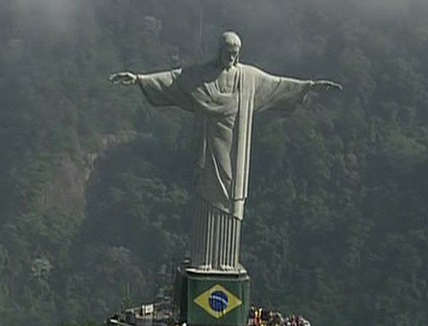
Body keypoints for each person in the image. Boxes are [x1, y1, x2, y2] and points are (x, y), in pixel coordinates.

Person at [109, 31, 341, 271]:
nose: (231, 56)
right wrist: (138, 79)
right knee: (207, 201)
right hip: (209, 149)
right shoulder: (200, 77)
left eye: (235, 52)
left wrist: (310, 86)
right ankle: (204, 261)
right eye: (228, 51)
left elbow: (278, 85)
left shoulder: (249, 78)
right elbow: (172, 79)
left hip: (236, 152)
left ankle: (226, 261)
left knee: (231, 202)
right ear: (218, 50)